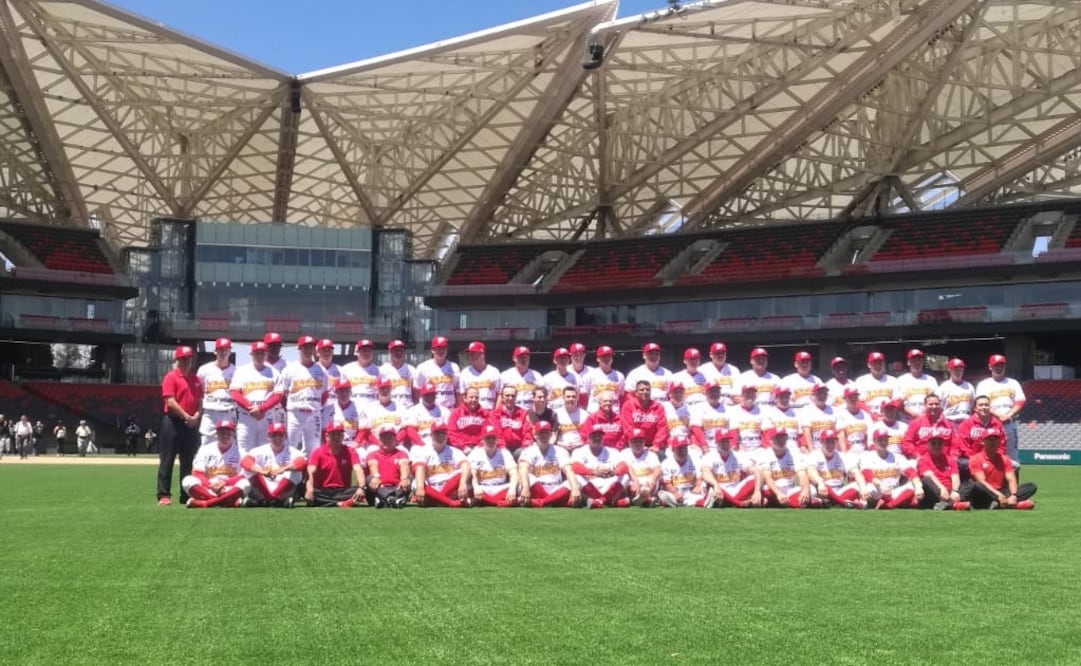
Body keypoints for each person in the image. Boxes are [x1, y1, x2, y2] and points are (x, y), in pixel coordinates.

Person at [157, 346, 203, 505]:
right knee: (167, 459)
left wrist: (196, 416)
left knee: (188, 461)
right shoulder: (171, 377)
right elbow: (170, 401)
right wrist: (186, 416)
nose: (186, 362)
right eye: (182, 359)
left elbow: (199, 402)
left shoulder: (196, 379)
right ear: (177, 360)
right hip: (173, 422)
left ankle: (185, 494)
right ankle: (163, 495)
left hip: (190, 423)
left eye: (188, 359)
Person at [230, 341, 285, 454]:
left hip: (266, 416)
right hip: (246, 416)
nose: (259, 356)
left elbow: (278, 395)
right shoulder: (241, 371)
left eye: (262, 353)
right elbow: (235, 393)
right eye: (257, 353)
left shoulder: (274, 372)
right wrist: (251, 408)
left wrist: (261, 409)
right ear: (251, 354)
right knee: (244, 452)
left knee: (265, 452)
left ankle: (261, 472)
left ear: (266, 354)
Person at [181, 420, 249, 509]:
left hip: (229, 488)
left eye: (228, 433)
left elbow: (243, 476)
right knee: (187, 480)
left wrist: (225, 483)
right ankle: (227, 502)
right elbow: (197, 473)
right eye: (222, 433)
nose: (225, 436)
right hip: (208, 488)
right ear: (216, 434)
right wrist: (210, 485)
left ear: (233, 434)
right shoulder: (205, 449)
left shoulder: (241, 452)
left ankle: (206, 503)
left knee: (246, 484)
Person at [280, 335, 331, 454]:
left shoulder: (321, 371)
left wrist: (316, 406)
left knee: (313, 449)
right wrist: (290, 409)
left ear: (314, 350)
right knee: (290, 447)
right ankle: (288, 473)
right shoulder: (289, 369)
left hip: (314, 414)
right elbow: (283, 395)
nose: (308, 350)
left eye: (310, 348)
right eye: (305, 348)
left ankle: (310, 473)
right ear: (299, 349)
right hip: (295, 414)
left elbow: (324, 394)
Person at [964, 427, 1036, 510]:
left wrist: (1013, 495)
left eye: (995, 439)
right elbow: (982, 482)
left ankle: (1002, 503)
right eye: (989, 439)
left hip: (1002, 491)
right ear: (983, 442)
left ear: (999, 442)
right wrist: (998, 495)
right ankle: (1009, 504)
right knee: (977, 486)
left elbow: (1011, 479)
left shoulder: (1005, 459)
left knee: (1031, 486)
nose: (992, 442)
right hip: (986, 492)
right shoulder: (975, 459)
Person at [518, 421, 583, 508]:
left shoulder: (560, 450)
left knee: (577, 481)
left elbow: (568, 470)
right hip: (537, 489)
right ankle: (555, 501)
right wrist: (525, 488)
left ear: (550, 435)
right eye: (541, 433)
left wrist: (575, 489)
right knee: (526, 478)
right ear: (535, 435)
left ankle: (542, 502)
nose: (544, 436)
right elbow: (523, 468)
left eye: (546, 433)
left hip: (555, 488)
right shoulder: (529, 451)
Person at [241, 422, 306, 507]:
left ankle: (265, 501)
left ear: (285, 436)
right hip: (264, 486)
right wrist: (261, 471)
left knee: (296, 472)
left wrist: (284, 469)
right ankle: (275, 501)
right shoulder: (260, 450)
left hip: (283, 487)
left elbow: (302, 463)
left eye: (280, 435)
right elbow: (245, 461)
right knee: (247, 470)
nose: (277, 438)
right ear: (268, 437)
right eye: (274, 435)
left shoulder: (292, 451)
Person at [974, 354, 1026, 461]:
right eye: (996, 365)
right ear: (990, 367)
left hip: (1010, 423)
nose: (999, 367)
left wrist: (1009, 415)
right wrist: (1000, 415)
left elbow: (1020, 401)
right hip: (991, 424)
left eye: (1001, 365)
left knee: (1013, 458)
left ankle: (1013, 478)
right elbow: (982, 404)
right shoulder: (984, 384)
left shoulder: (1013, 383)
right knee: (989, 455)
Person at [305, 421, 367, 508]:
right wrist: (309, 488)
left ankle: (325, 502)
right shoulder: (318, 452)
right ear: (327, 436)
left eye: (339, 434)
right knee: (302, 488)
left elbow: (358, 470)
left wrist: (361, 488)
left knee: (365, 488)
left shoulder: (350, 451)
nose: (336, 437)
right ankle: (339, 503)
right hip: (323, 490)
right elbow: (310, 472)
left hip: (343, 490)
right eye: (333, 434)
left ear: (343, 436)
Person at [411, 421, 471, 508]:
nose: (441, 436)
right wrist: (420, 488)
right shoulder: (423, 450)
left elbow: (465, 465)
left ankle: (437, 500)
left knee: (463, 472)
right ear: (431, 435)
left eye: (443, 433)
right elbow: (419, 468)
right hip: (431, 488)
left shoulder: (454, 451)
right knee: (415, 484)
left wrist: (462, 483)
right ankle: (450, 503)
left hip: (448, 488)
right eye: (437, 433)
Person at [805, 429, 870, 508]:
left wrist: (863, 488)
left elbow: (856, 472)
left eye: (833, 442)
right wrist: (820, 482)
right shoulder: (814, 455)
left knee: (858, 485)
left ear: (836, 443)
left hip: (839, 491)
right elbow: (811, 471)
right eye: (827, 442)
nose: (830, 445)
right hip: (821, 489)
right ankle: (844, 503)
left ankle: (826, 503)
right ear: (821, 442)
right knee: (812, 490)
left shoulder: (842, 456)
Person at [859, 430, 922, 510]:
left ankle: (888, 506)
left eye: (885, 440)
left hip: (893, 492)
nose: (883, 442)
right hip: (877, 490)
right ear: (874, 441)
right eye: (880, 440)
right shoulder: (868, 456)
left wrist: (918, 486)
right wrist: (881, 485)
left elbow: (910, 471)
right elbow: (866, 473)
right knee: (867, 488)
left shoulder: (897, 457)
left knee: (912, 486)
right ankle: (871, 503)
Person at [571, 424, 628, 508]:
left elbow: (624, 466)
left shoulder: (612, 451)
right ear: (588, 438)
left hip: (608, 485)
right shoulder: (579, 451)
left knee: (625, 476)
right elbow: (575, 467)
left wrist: (614, 472)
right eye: (594, 436)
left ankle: (600, 501)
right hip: (590, 486)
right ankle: (609, 502)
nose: (597, 439)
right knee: (577, 476)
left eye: (599, 436)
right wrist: (593, 472)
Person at [700, 428, 759, 508]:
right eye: (722, 441)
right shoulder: (710, 456)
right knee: (709, 486)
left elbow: (756, 471)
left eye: (727, 441)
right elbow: (705, 472)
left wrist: (757, 491)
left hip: (735, 490)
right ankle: (738, 503)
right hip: (718, 489)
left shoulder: (737, 455)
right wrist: (716, 485)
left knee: (755, 477)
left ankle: (724, 502)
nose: (725, 444)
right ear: (716, 442)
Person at [755, 429, 814, 508]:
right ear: (771, 440)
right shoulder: (766, 454)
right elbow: (768, 479)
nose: (781, 440)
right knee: (765, 490)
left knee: (812, 490)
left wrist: (805, 490)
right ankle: (811, 503)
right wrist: (778, 493)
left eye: (784, 437)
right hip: (773, 489)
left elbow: (802, 474)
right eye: (778, 438)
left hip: (790, 490)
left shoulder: (794, 453)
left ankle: (776, 503)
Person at [468, 425, 521, 507]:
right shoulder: (475, 453)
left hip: (501, 487)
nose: (491, 440)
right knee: (467, 486)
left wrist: (512, 488)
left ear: (497, 439)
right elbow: (473, 474)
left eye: (493, 438)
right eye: (488, 438)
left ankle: (483, 501)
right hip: (482, 488)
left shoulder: (504, 453)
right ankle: (502, 502)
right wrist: (476, 487)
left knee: (519, 487)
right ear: (482, 440)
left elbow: (514, 472)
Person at [196, 337, 235, 446]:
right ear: (215, 351)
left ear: (230, 351)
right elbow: (198, 393)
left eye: (226, 349)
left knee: (228, 445)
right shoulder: (204, 370)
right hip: (210, 412)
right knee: (206, 445)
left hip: (228, 412)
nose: (223, 352)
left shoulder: (236, 371)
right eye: (220, 349)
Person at [916, 434, 969, 511]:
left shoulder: (950, 459)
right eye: (933, 443)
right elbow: (929, 475)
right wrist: (941, 488)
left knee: (970, 483)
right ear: (928, 445)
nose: (937, 446)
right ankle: (952, 504)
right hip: (935, 491)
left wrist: (955, 491)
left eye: (940, 443)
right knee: (925, 481)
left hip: (950, 491)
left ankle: (949, 503)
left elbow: (955, 477)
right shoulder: (923, 459)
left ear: (943, 445)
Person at [366, 425, 412, 508]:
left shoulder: (402, 453)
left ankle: (384, 500)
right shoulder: (372, 454)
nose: (386, 440)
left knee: (410, 478)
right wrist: (376, 477)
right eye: (384, 437)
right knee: (370, 478)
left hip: (397, 487)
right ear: (379, 440)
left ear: (395, 440)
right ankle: (393, 499)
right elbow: (373, 466)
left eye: (389, 437)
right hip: (380, 487)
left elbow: (404, 465)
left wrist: (404, 479)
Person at [620, 379, 669, 458]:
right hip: (634, 443)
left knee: (662, 456)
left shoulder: (658, 407)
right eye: (642, 390)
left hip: (653, 445)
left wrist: (656, 445)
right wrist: (639, 445)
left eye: (647, 390)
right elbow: (628, 428)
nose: (645, 392)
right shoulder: (628, 406)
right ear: (636, 393)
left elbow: (662, 428)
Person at [657, 436, 710, 507]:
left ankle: (706, 501)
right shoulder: (666, 463)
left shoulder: (694, 459)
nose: (682, 450)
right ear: (673, 449)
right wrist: (675, 492)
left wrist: (698, 485)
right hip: (676, 489)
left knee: (701, 493)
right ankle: (671, 501)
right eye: (679, 448)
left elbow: (700, 476)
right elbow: (666, 483)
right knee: (665, 495)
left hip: (691, 490)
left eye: (684, 448)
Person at [617, 428, 662, 507]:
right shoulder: (624, 453)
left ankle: (639, 499)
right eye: (635, 441)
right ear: (629, 442)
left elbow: (657, 469)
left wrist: (653, 480)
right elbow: (626, 467)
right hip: (633, 483)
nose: (637, 444)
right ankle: (646, 500)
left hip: (647, 484)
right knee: (625, 479)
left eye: (640, 441)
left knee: (654, 479)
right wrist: (635, 481)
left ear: (644, 442)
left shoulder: (651, 454)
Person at [413, 336, 460, 409]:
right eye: (438, 348)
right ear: (432, 350)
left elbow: (457, 392)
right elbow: (417, 391)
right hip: (430, 410)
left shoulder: (454, 367)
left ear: (446, 350)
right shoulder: (422, 367)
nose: (441, 351)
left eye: (443, 348)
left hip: (449, 408)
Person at [894, 349, 938, 420]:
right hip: (907, 420)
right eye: (913, 360)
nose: (917, 362)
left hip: (927, 419)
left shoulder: (931, 380)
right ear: (908, 362)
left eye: (919, 360)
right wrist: (914, 414)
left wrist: (925, 415)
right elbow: (897, 403)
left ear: (922, 362)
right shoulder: (900, 380)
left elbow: (936, 402)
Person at [488, 386, 532, 457]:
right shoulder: (495, 414)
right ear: (502, 397)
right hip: (501, 449)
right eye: (507, 395)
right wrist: (503, 449)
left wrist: (525, 448)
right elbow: (497, 434)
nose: (510, 398)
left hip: (519, 448)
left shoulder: (523, 413)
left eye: (513, 396)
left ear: (516, 397)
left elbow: (527, 433)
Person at [458, 340, 501, 410]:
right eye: (470, 353)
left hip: (489, 411)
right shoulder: (465, 373)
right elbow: (461, 395)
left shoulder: (494, 371)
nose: (471, 355)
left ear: (482, 354)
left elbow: (499, 394)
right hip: (472, 413)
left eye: (474, 353)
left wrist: (496, 412)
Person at [581, 345, 625, 412]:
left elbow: (622, 396)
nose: (607, 358)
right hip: (594, 413)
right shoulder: (590, 375)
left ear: (612, 358)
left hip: (614, 413)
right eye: (604, 356)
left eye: (609, 356)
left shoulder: (619, 376)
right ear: (598, 359)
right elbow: (584, 396)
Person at [854, 351, 896, 418]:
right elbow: (859, 402)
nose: (877, 366)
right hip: (868, 417)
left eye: (880, 363)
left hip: (888, 418)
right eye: (874, 363)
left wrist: (888, 414)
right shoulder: (861, 381)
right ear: (869, 365)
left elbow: (897, 400)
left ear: (883, 364)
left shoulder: (892, 380)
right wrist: (871, 414)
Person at [341, 339, 381, 408]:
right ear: (357, 353)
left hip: (371, 406)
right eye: (364, 350)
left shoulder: (379, 370)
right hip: (352, 405)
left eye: (369, 351)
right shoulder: (346, 369)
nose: (367, 353)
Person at [447, 386, 489, 453]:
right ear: (465, 398)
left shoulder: (485, 414)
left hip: (481, 449)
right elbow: (451, 433)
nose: (474, 399)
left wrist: (480, 446)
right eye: (471, 397)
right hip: (461, 449)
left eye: (476, 397)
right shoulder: (456, 413)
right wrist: (464, 447)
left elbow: (489, 432)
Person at [500, 346, 540, 411]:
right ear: (514, 358)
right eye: (520, 357)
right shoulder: (505, 375)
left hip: (530, 410)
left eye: (526, 357)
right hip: (512, 410)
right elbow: (500, 396)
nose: (523, 360)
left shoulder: (537, 376)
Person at [380, 339, 417, 409]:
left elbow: (415, 393)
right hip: (391, 408)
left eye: (401, 350)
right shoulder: (382, 370)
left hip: (408, 407)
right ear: (390, 352)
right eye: (396, 350)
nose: (398, 352)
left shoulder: (411, 370)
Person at [937, 358, 975, 424]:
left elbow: (973, 406)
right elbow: (938, 407)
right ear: (949, 370)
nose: (958, 372)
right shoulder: (943, 387)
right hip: (949, 421)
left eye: (960, 369)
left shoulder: (969, 386)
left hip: (966, 422)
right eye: (955, 369)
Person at [542, 347, 577, 411]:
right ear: (555, 360)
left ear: (569, 360)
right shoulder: (547, 378)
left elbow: (579, 397)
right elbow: (541, 399)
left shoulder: (575, 377)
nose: (563, 360)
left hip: (570, 413)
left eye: (565, 358)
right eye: (560, 358)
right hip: (553, 412)